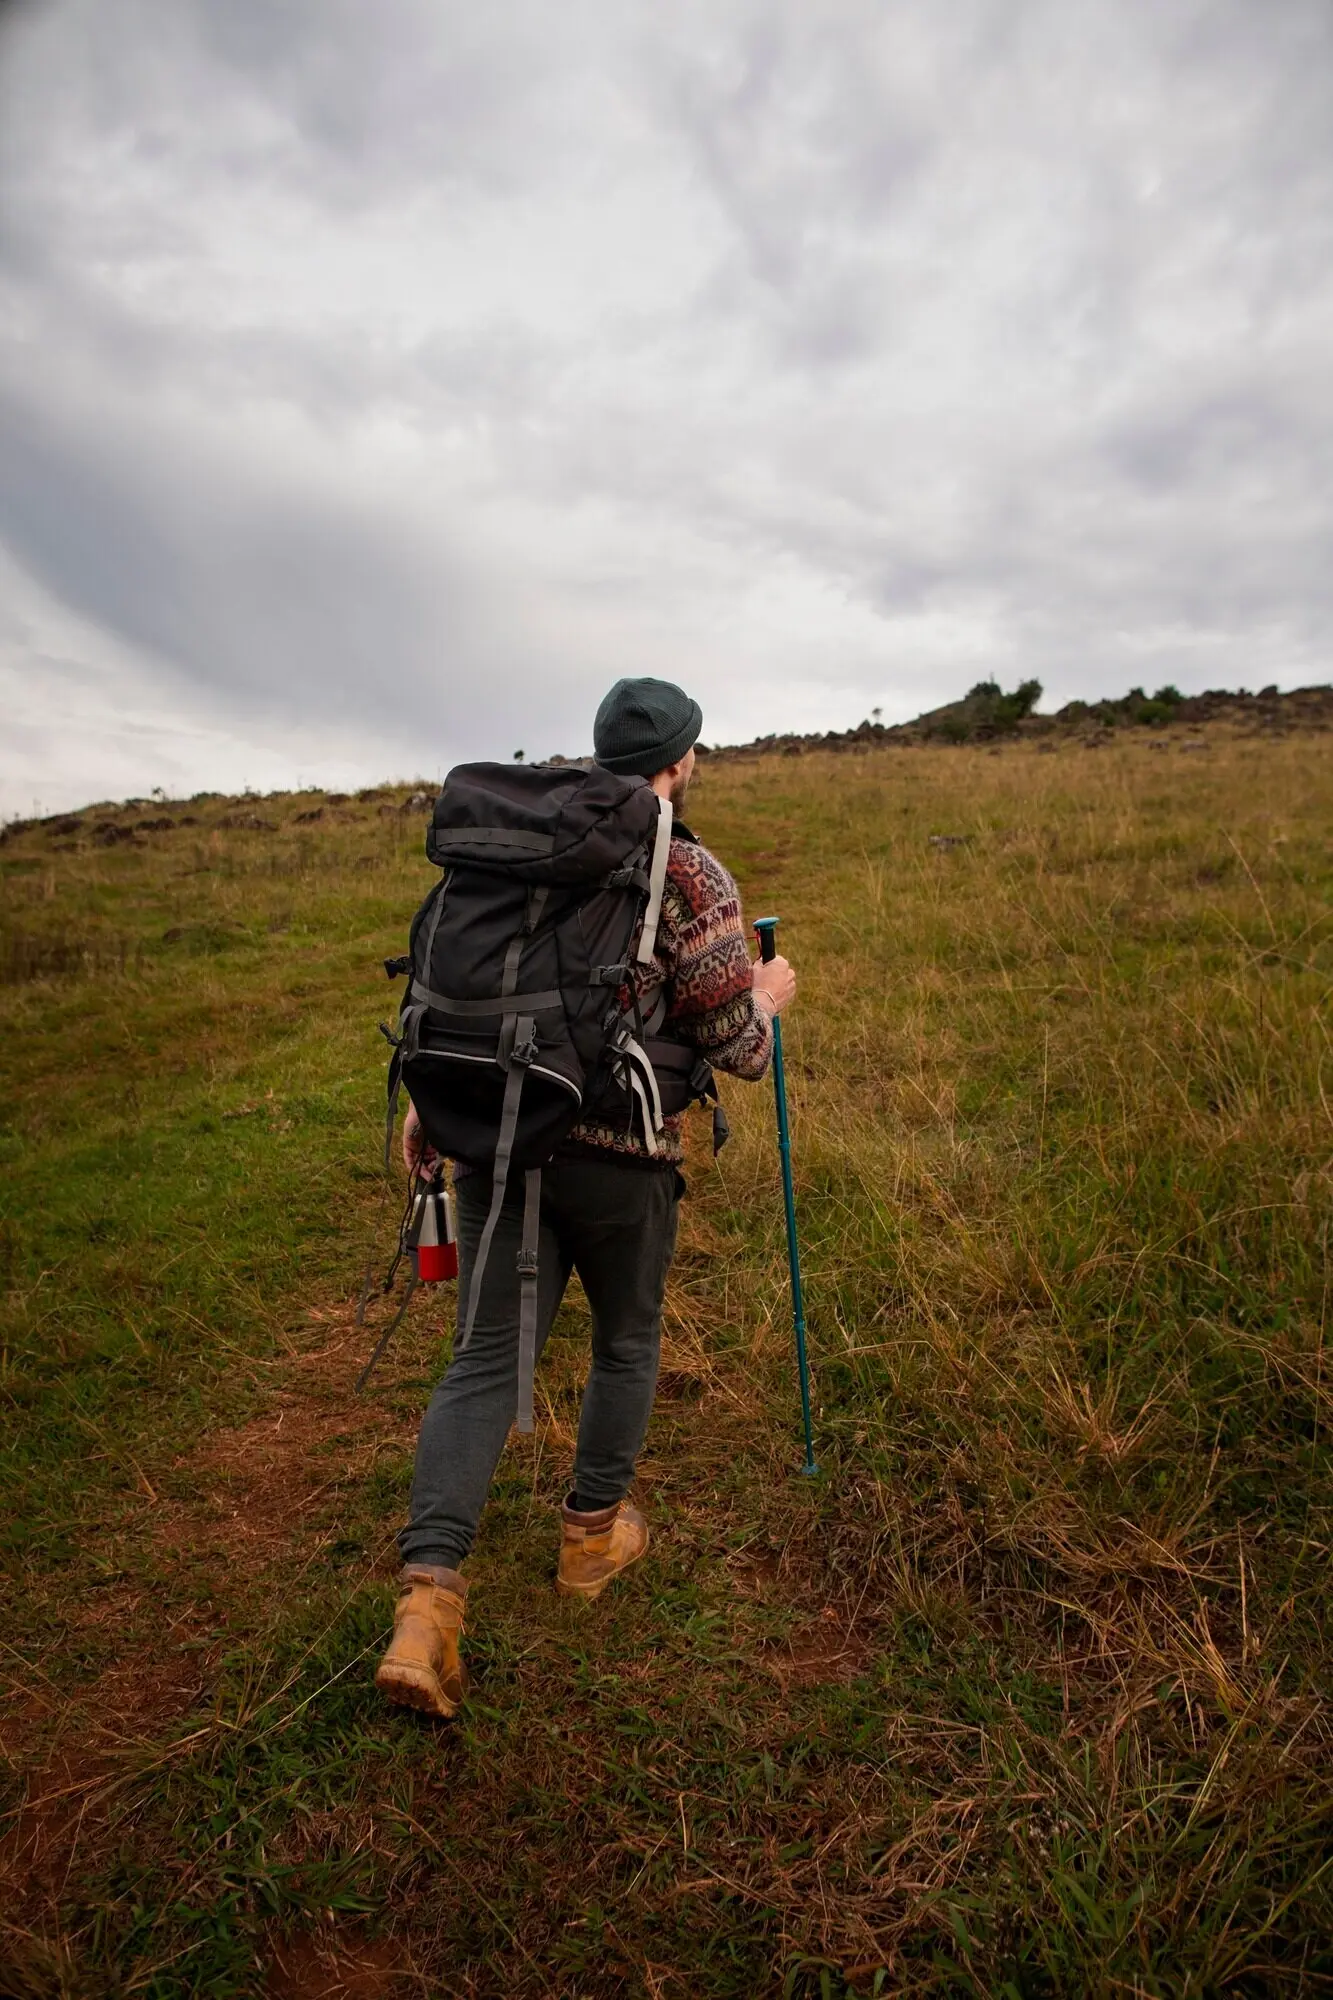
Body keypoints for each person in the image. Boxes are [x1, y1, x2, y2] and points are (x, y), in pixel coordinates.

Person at [375, 677, 796, 1718]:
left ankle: (424, 1611)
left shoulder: (513, 846)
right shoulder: (687, 868)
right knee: (625, 1341)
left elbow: (460, 987)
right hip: (623, 1153)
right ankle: (592, 1540)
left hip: (498, 1136)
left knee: (484, 1359)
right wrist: (766, 998)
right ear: (680, 761)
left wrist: (431, 1105)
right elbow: (738, 1050)